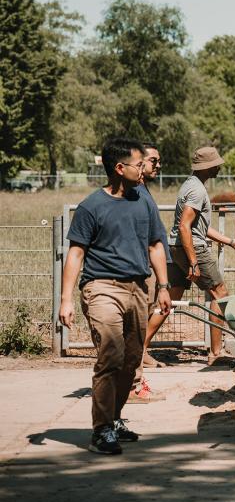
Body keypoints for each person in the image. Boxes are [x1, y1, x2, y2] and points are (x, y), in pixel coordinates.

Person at [58, 137, 172, 455]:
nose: (144, 168)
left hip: (138, 287)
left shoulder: (143, 201)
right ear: (120, 169)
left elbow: (154, 245)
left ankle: (115, 418)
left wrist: (163, 286)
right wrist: (66, 299)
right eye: (139, 164)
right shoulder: (92, 206)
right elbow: (76, 253)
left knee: (131, 361)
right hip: (101, 287)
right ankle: (101, 429)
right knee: (111, 354)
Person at [143, 146, 235, 365]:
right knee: (220, 294)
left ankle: (140, 350)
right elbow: (186, 227)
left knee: (171, 299)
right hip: (191, 249)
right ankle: (215, 354)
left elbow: (197, 227)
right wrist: (194, 262)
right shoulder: (197, 191)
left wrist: (229, 241)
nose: (219, 167)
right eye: (216, 164)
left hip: (176, 247)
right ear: (208, 167)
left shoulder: (190, 184)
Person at [128, 142, 169, 403]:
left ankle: (135, 382)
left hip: (149, 268)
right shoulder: (135, 193)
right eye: (153, 160)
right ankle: (133, 387)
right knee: (134, 329)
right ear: (140, 163)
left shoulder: (142, 191)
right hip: (141, 269)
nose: (157, 165)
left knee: (139, 327)